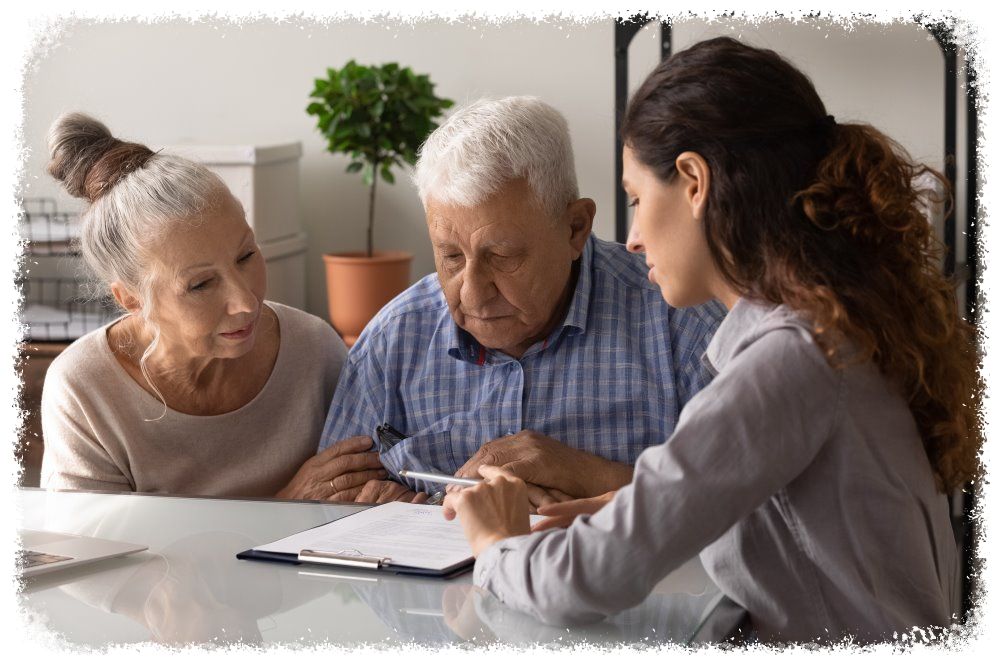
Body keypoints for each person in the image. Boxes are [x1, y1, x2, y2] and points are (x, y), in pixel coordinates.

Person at [442, 38, 980, 643]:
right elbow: (787, 510)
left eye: (638, 200)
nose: (635, 237)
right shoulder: (828, 330)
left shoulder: (791, 360)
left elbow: (580, 584)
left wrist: (494, 542)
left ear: (695, 181)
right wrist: (627, 516)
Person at [287, 96, 723, 505]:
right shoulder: (393, 340)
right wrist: (406, 512)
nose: (473, 292)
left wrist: (589, 477)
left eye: (503, 256)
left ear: (575, 228)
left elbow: (744, 510)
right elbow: (331, 517)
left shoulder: (682, 324)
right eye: (451, 256)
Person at [39, 113, 364, 498]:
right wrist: (285, 505)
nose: (245, 302)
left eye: (245, 256)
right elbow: (100, 548)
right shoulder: (85, 387)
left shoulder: (314, 350)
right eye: (201, 284)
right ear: (130, 299)